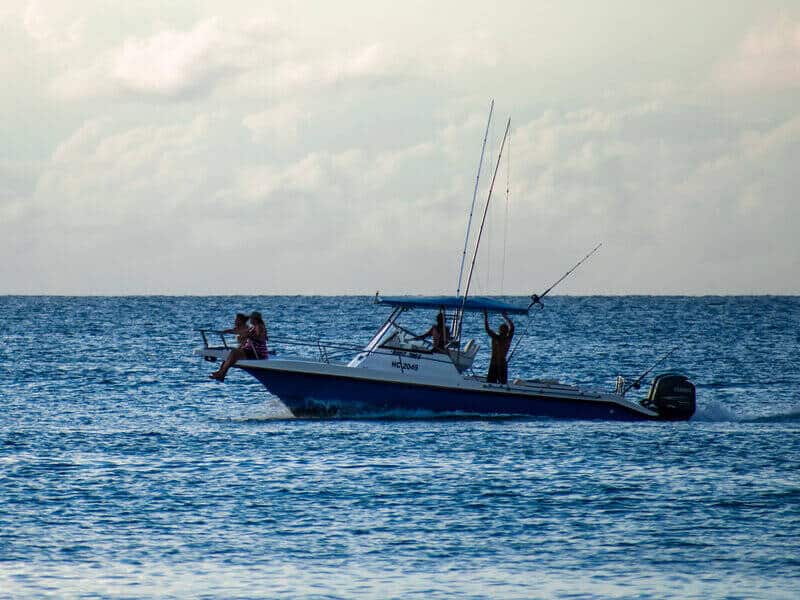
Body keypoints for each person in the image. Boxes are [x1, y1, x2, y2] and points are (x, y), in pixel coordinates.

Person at [210, 311, 269, 381]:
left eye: (251, 319)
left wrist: (248, 336)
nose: (250, 320)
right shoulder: (254, 327)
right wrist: (228, 331)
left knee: (234, 352)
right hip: (251, 350)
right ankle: (220, 372)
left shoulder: (259, 326)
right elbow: (241, 331)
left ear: (255, 319)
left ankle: (222, 373)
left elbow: (259, 337)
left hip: (257, 353)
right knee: (230, 354)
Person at [484, 309, 514, 384]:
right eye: (502, 330)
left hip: (499, 363)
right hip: (497, 363)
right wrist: (505, 317)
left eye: (503, 330)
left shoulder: (503, 338)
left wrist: (486, 316)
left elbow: (512, 327)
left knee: (499, 382)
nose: (502, 332)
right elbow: (487, 329)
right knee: (494, 382)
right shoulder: (498, 337)